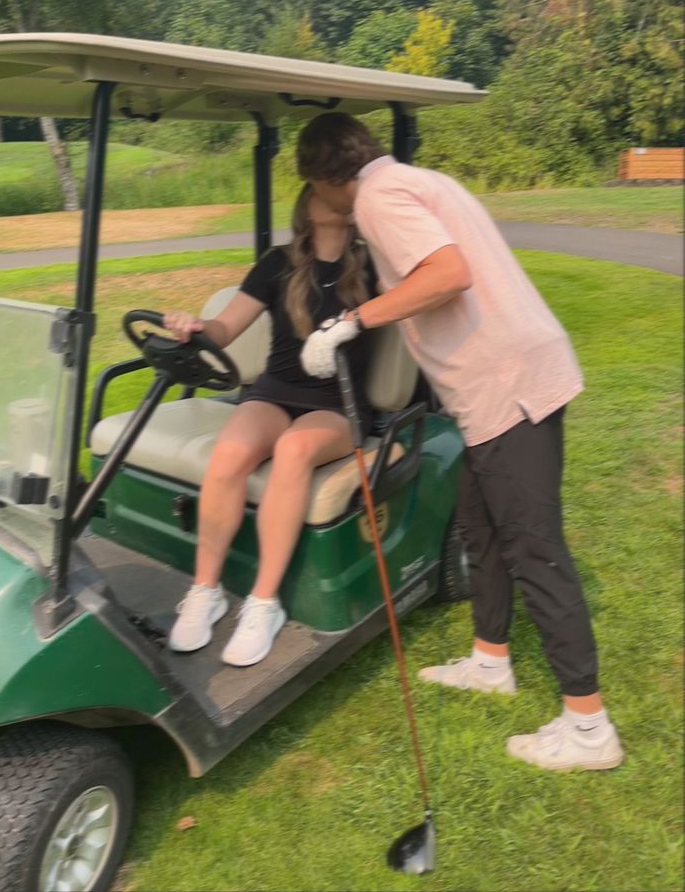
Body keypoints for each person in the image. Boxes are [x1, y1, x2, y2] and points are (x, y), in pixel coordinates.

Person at [296, 112, 623, 771]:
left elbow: (447, 273)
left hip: (508, 385)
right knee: (480, 526)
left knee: (534, 547)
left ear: (328, 177)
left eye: (311, 186)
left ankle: (589, 725)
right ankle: (490, 659)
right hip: (497, 387)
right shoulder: (412, 180)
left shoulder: (379, 196)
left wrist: (347, 323)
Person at [163, 183, 378, 667]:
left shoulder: (373, 265)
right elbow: (224, 329)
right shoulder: (277, 264)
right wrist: (196, 326)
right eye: (325, 185)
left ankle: (264, 602)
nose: (338, 192)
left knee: (294, 451)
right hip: (276, 390)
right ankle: (206, 590)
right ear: (308, 202)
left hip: (338, 404)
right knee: (230, 452)